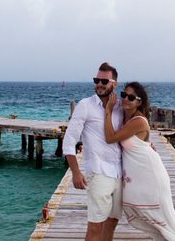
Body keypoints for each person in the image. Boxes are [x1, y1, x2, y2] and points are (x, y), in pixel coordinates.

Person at [104, 82, 175, 241]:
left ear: (139, 102)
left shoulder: (138, 121)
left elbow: (110, 138)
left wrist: (107, 110)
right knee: (136, 208)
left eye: (131, 97)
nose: (126, 99)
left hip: (150, 175)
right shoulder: (124, 117)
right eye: (124, 95)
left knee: (161, 217)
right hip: (138, 176)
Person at [63, 62, 124, 241]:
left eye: (104, 81)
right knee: (96, 225)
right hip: (98, 172)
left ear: (114, 84)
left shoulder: (120, 107)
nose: (99, 84)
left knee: (112, 222)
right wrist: (76, 172)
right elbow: (69, 141)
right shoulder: (85, 105)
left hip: (120, 172)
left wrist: (146, 144)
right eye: (96, 80)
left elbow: (129, 132)